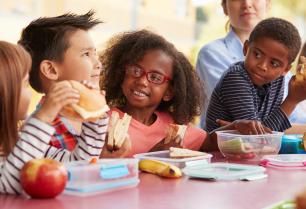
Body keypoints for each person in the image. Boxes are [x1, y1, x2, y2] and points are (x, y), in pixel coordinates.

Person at [100, 30, 270, 157]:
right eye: (136, 70)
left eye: (155, 77)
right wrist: (153, 156)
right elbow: (96, 168)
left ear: (169, 92)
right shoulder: (104, 123)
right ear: (121, 72)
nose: (142, 81)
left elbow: (207, 142)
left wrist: (236, 126)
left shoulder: (173, 125)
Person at [0, 41, 107, 195]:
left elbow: (79, 166)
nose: (30, 92)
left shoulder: (20, 142)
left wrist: (94, 115)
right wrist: (42, 117)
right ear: (4, 94)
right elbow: (11, 185)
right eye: (25, 84)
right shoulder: (29, 142)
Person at [18, 11, 129, 157]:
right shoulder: (36, 135)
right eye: (86, 54)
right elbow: (75, 169)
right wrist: (100, 160)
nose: (98, 64)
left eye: (95, 53)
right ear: (51, 69)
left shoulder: (100, 120)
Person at [206, 18, 304, 132]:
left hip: (248, 149)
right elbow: (260, 138)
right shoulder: (235, 78)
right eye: (257, 54)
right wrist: (292, 101)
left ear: (285, 70)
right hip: (217, 149)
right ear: (246, 48)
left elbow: (271, 131)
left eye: (274, 63)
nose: (262, 66)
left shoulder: (277, 81)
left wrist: (260, 131)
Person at [196, 0, 271, 128]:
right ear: (225, 7)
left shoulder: (279, 59)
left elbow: (295, 116)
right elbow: (253, 124)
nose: (247, 3)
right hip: (221, 146)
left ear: (268, 3)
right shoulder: (211, 54)